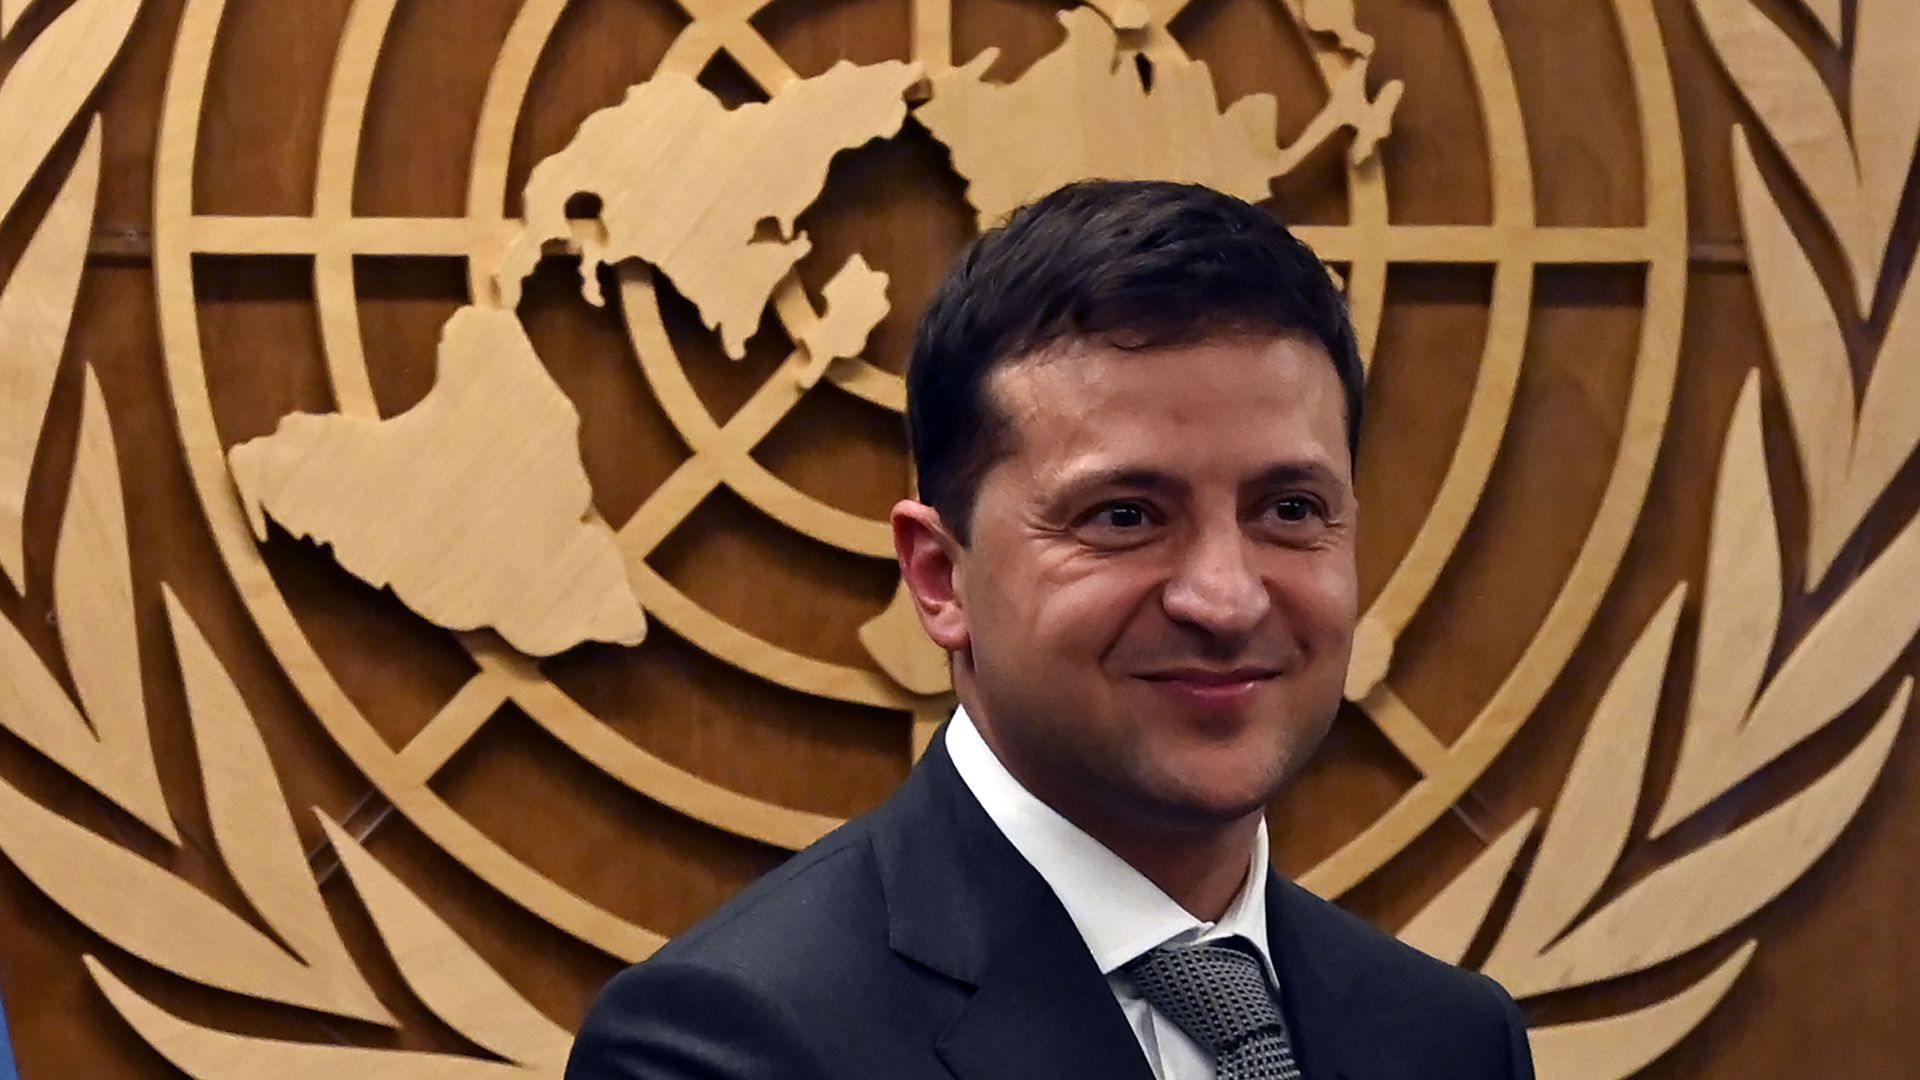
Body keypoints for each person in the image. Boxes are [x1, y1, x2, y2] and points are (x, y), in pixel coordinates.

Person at [567, 180, 1535, 1079]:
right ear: (940, 578)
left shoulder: (1450, 1037)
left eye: (1287, 510)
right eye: (1124, 516)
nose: (1227, 598)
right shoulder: (731, 1042)